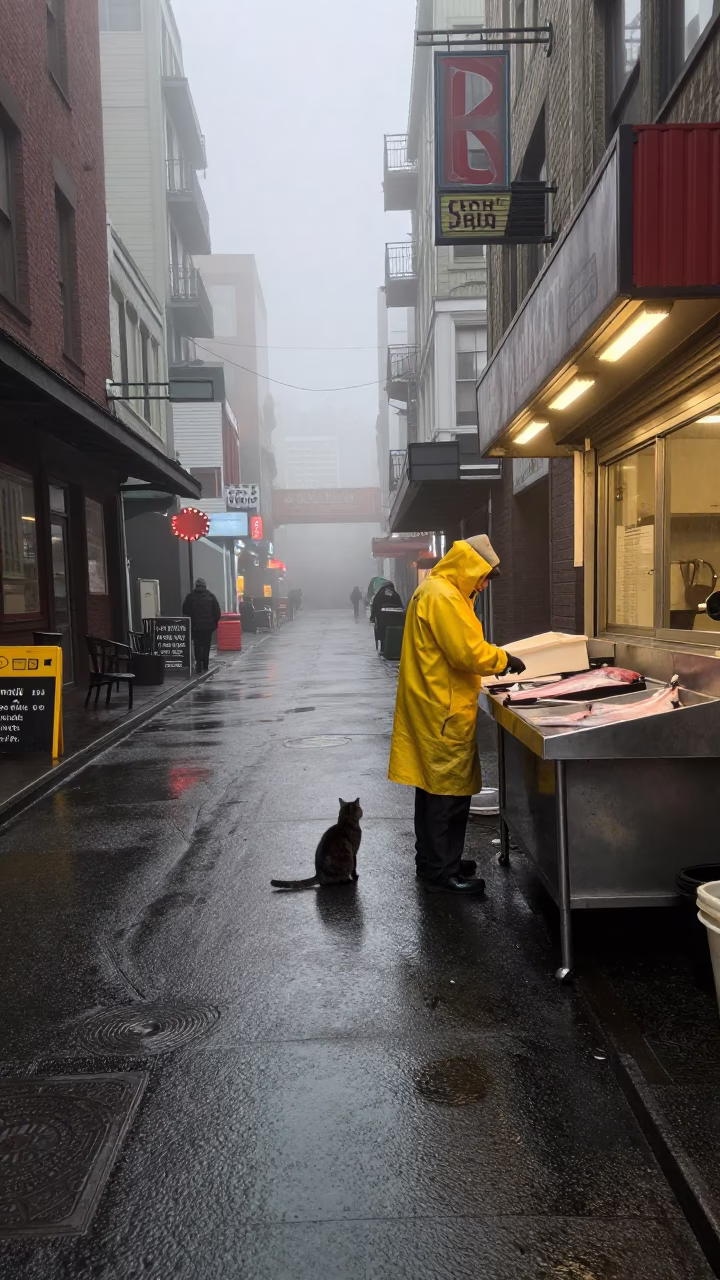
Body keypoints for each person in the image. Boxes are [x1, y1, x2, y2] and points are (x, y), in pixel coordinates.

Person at [388, 535, 526, 895]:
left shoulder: (435, 589)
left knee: (433, 790)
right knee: (447, 794)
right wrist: (503, 659)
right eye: (482, 577)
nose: (482, 585)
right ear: (468, 568)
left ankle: (435, 860)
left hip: (432, 703)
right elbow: (466, 652)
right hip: (442, 708)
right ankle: (441, 870)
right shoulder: (444, 596)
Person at [182, 577, 221, 673]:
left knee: (197, 644)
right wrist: (214, 623)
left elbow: (185, 611)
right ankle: (205, 665)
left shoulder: (190, 597)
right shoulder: (211, 596)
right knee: (206, 645)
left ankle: (199, 664)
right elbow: (217, 612)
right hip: (208, 626)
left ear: (196, 586)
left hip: (195, 626)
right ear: (205, 586)